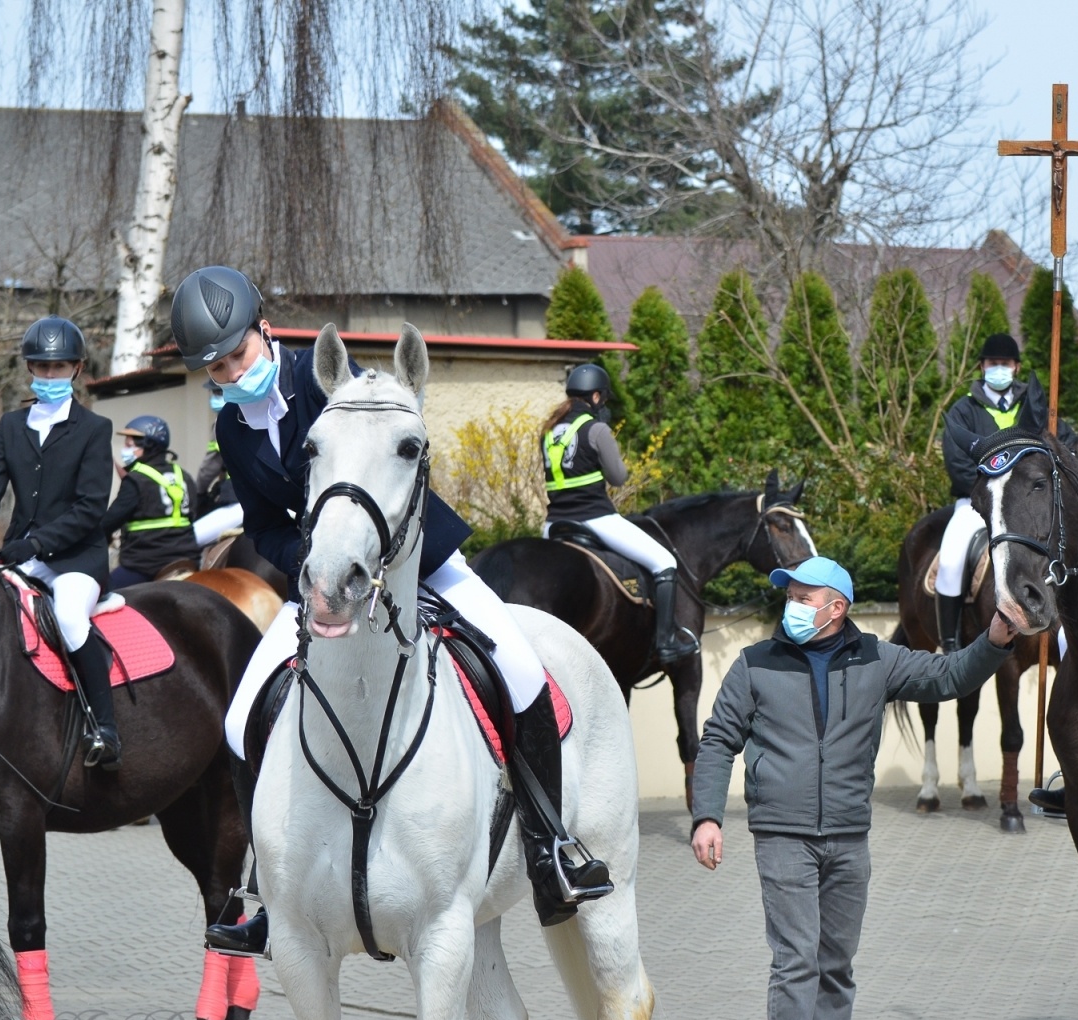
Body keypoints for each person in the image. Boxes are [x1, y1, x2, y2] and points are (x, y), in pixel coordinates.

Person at [168, 266, 610, 958]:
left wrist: (364, 542)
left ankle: (551, 845)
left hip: (417, 558)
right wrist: (320, 555)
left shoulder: (327, 381)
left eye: (238, 355)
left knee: (522, 673)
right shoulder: (233, 427)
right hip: (326, 580)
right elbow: (263, 526)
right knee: (237, 717)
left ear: (262, 331)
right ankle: (265, 887)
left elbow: (393, 444)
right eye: (218, 368)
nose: (231, 372)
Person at [690, 556, 1017, 1020]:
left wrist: (995, 639)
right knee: (796, 961)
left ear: (836, 608)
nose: (792, 606)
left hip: (848, 837)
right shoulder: (754, 663)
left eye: (804, 598)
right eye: (790, 596)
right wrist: (707, 815)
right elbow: (716, 741)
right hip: (783, 835)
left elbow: (948, 677)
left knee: (836, 965)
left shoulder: (877, 659)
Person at [0, 317, 118, 767]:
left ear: (77, 369)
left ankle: (106, 728)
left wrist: (35, 544)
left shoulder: (94, 429)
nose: (49, 376)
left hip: (76, 559)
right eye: (41, 367)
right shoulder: (12, 426)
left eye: (58, 368)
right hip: (23, 554)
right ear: (30, 369)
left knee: (71, 618)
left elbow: (90, 507)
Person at [541, 363, 697, 663]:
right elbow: (618, 478)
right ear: (596, 397)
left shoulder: (548, 432)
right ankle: (665, 643)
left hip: (553, 524)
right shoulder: (595, 428)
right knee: (665, 562)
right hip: (595, 519)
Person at [936, 333, 1077, 653]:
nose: (998, 368)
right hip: (979, 505)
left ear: (1016, 367)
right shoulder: (963, 410)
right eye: (992, 363)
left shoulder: (1037, 406)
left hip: (1032, 504)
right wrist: (996, 489)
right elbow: (957, 463)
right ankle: (950, 642)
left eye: (1005, 363)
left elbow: (1064, 445)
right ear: (982, 367)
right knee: (951, 559)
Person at [101, 415, 200, 586]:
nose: (125, 450)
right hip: (187, 560)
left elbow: (109, 522)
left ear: (147, 445)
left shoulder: (136, 479)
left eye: (129, 445)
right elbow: (193, 514)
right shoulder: (183, 475)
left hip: (145, 564)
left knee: (101, 595)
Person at [192, 380, 244, 547]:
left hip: (240, 499)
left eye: (219, 392)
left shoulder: (223, 421)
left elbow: (210, 468)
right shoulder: (260, 411)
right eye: (214, 393)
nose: (215, 397)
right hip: (279, 498)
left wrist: (199, 493)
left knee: (188, 542)